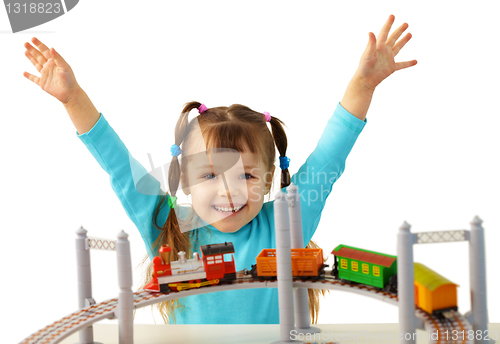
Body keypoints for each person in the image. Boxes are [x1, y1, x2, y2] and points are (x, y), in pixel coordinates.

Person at [23, 14, 417, 324]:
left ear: (268, 182)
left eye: (245, 175)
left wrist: (363, 86)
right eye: (210, 175)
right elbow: (119, 167)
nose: (228, 191)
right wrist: (73, 98)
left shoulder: (285, 221)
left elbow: (328, 160)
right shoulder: (169, 225)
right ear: (186, 183)